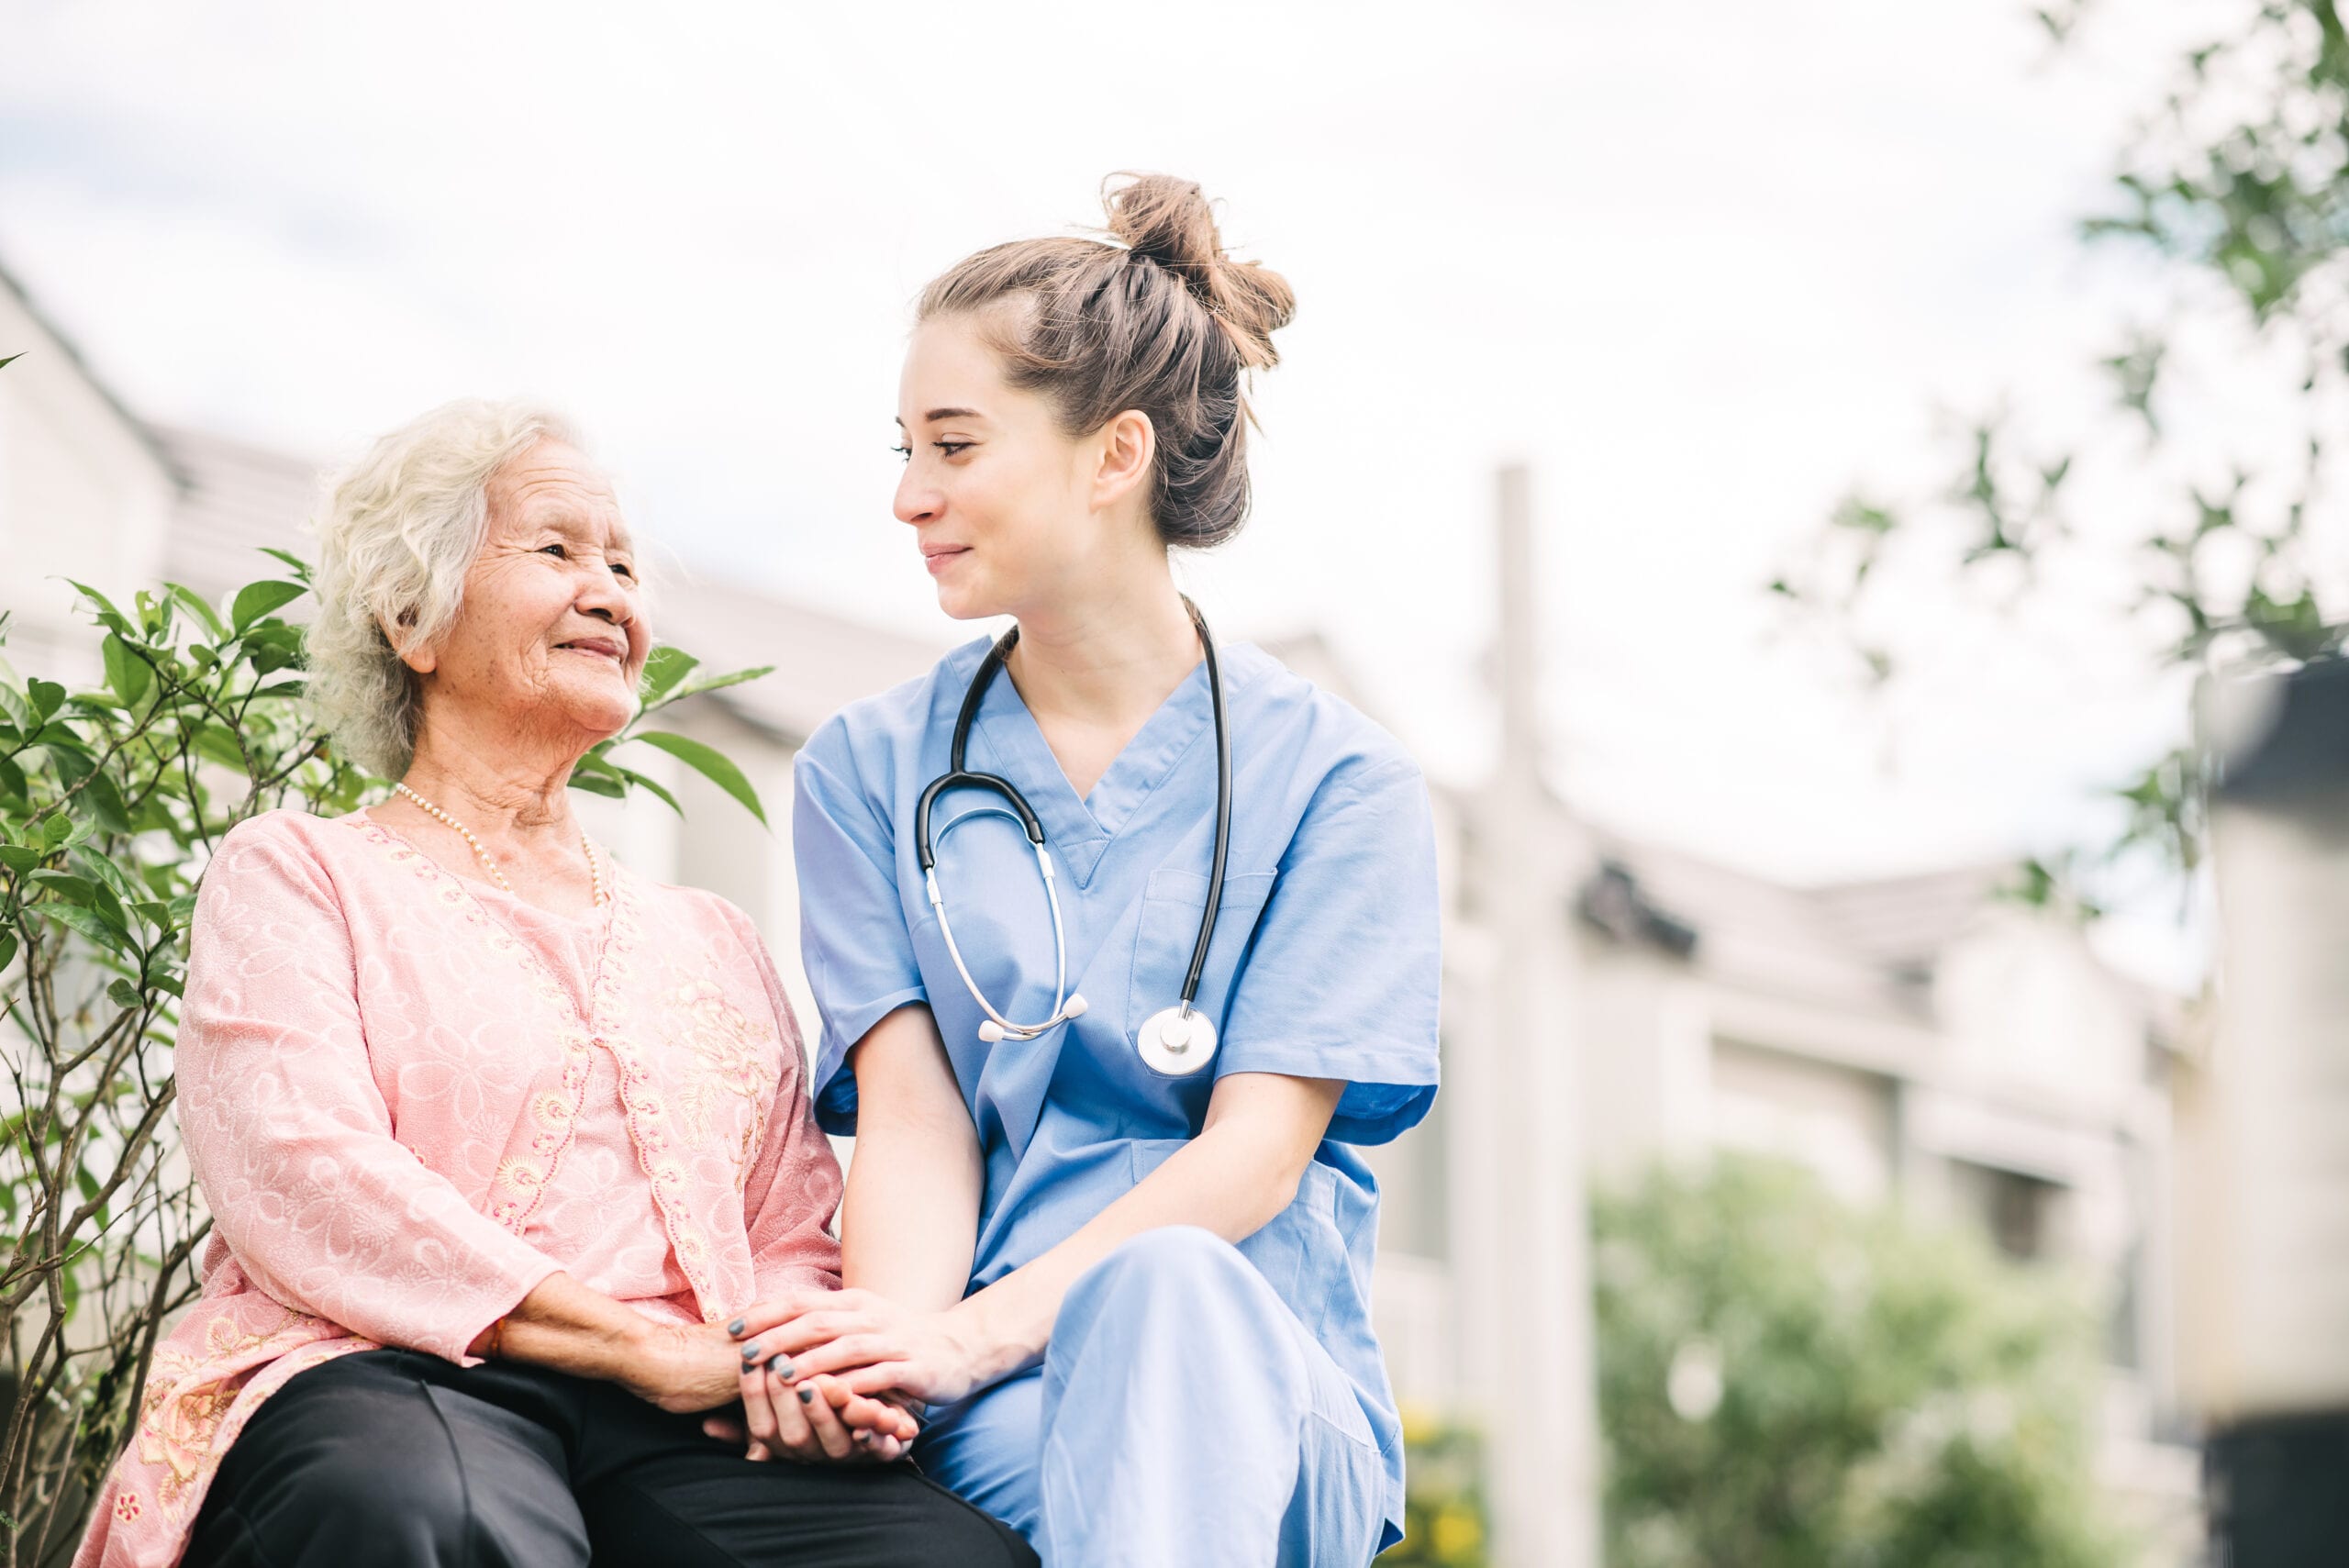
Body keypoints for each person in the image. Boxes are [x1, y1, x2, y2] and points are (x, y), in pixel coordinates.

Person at [74, 400, 1035, 1568]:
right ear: (413, 618)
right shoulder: (299, 871)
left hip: (684, 1408)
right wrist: (639, 1347)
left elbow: (786, 1224)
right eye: (558, 550)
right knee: (445, 1522)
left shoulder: (711, 934)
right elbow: (303, 1167)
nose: (613, 593)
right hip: (384, 1368)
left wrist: (796, 1366)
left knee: (946, 1561)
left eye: (624, 563)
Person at [726, 176, 1442, 1566]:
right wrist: (902, 1351)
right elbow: (916, 1121)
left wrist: (961, 1337)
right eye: (904, 448)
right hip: (1003, 1397)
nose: (907, 495)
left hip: (1266, 1386)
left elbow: (1253, 1155)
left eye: (954, 446)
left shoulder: (1345, 787)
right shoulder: (866, 771)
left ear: (1113, 458)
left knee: (1170, 1291)